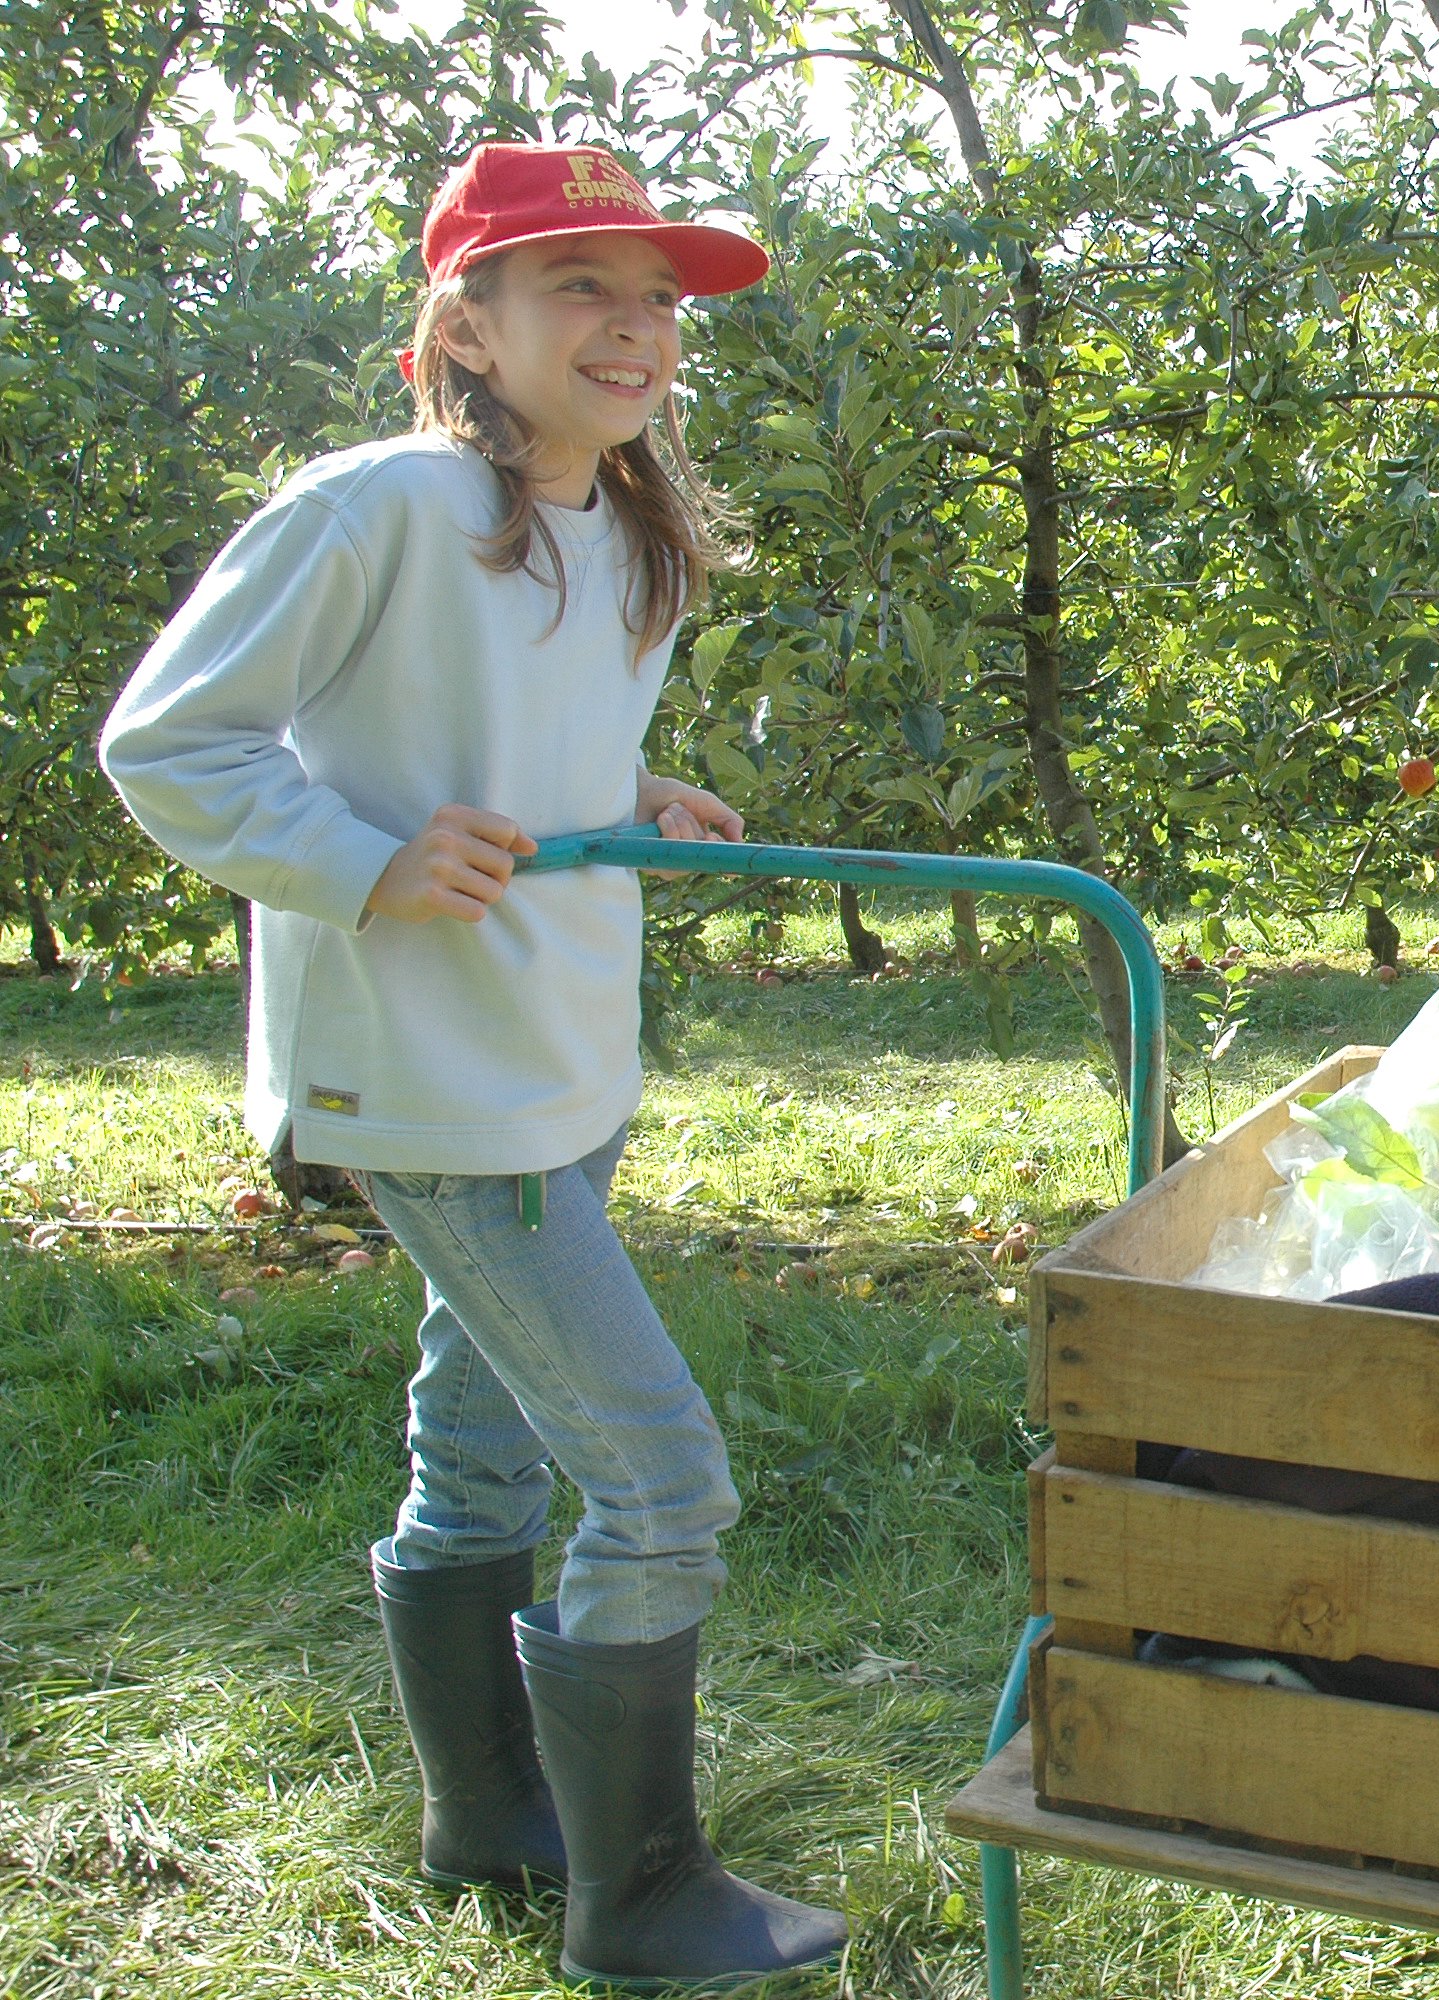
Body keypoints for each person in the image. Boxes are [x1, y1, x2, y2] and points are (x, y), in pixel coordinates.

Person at [100, 142, 845, 1989]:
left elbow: (526, 744)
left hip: (558, 1052)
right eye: (576, 283)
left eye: (657, 292)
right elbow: (171, 744)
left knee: (484, 1446)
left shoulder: (634, 530)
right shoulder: (374, 510)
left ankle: (493, 1817)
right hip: (436, 1076)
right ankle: (640, 1894)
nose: (634, 324)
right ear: (468, 321)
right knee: (660, 1483)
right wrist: (364, 864)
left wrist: (632, 792)